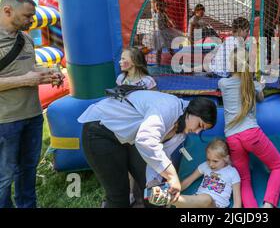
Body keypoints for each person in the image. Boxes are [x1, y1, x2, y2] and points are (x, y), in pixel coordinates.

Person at [78, 94, 217, 208]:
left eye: (202, 130)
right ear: (193, 111)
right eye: (199, 125)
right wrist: (172, 176)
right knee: (119, 195)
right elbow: (145, 139)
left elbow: (157, 158)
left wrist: (153, 182)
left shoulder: (181, 132)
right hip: (100, 130)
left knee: (151, 193)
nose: (197, 131)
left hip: (127, 138)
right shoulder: (169, 107)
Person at [0, 0, 64, 208]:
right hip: (5, 121)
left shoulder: (25, 38)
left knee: (28, 170)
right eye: (27, 16)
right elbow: (24, 77)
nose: (31, 21)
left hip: (33, 116)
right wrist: (25, 80)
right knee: (4, 178)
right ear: (7, 11)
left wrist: (47, 73)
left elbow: (28, 69)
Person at [219, 48, 280, 208]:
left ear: (231, 65)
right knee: (278, 166)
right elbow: (260, 99)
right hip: (251, 134)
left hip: (232, 137)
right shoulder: (252, 84)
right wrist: (260, 85)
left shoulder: (222, 83)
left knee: (244, 179)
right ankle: (268, 205)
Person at [116, 47, 156, 207]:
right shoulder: (121, 79)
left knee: (141, 160)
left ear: (135, 62)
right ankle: (131, 193)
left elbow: (155, 103)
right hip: (125, 123)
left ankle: (148, 192)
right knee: (126, 159)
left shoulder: (147, 81)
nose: (120, 62)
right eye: (120, 58)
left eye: (124, 58)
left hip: (141, 124)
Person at [148, 138, 241, 208]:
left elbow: (237, 202)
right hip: (196, 200)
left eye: (215, 161)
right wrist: (173, 189)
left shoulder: (232, 173)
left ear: (226, 158)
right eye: (208, 160)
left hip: (214, 205)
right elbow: (188, 181)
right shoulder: (205, 166)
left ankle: (167, 198)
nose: (211, 164)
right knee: (197, 199)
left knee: (207, 199)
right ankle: (166, 196)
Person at [153, 0, 183, 66]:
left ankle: (177, 60)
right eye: (157, 5)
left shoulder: (164, 14)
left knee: (170, 49)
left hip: (164, 33)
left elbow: (168, 20)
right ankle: (158, 63)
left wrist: (172, 24)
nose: (158, 7)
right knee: (158, 50)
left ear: (163, 6)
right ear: (155, 6)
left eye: (160, 5)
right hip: (158, 34)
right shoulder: (155, 14)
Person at [262, 0, 279, 65]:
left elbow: (277, 12)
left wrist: (276, 21)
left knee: (269, 44)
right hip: (260, 27)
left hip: (269, 26)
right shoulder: (257, 0)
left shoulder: (272, 0)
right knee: (261, 44)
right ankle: (261, 59)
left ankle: (270, 61)